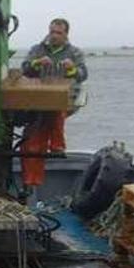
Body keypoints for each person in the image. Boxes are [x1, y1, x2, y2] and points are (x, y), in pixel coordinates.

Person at [19, 17, 87, 189]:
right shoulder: (37, 49)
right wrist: (37, 63)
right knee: (34, 140)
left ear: (66, 35)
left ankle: (57, 145)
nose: (54, 36)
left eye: (58, 33)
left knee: (56, 111)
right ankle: (31, 180)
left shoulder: (74, 52)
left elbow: (83, 73)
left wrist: (71, 68)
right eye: (52, 32)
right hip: (40, 97)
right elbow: (25, 68)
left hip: (65, 98)